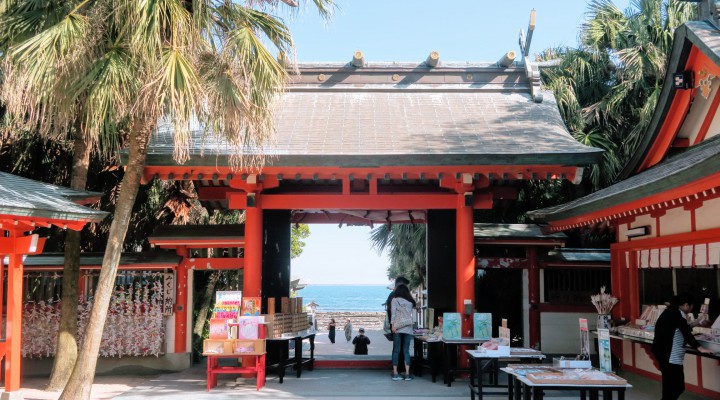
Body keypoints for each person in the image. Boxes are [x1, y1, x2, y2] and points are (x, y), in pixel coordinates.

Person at [651, 293, 713, 400]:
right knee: (676, 388)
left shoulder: (671, 312)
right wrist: (700, 348)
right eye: (691, 306)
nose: (691, 309)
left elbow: (682, 327)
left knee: (669, 389)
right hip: (671, 358)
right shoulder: (676, 314)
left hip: (664, 355)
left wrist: (697, 322)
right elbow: (685, 332)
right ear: (685, 305)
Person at [390, 283, 416, 381]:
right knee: (406, 351)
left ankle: (396, 373)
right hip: (408, 328)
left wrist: (393, 325)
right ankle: (407, 374)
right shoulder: (410, 302)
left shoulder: (395, 300)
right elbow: (412, 315)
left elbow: (393, 314)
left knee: (396, 350)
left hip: (398, 328)